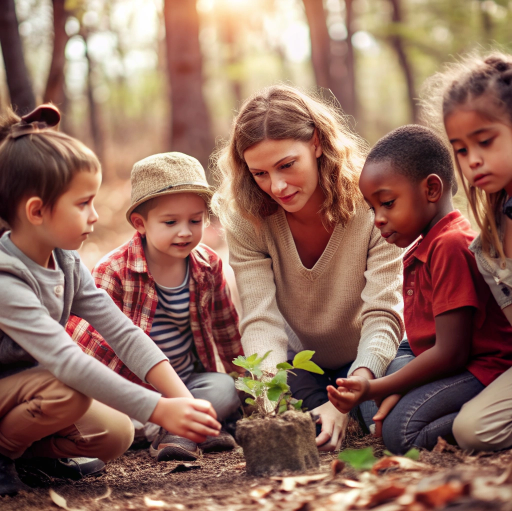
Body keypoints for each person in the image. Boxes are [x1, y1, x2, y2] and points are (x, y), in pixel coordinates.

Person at [0, 105, 220, 496]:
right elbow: (66, 360)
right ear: (36, 211)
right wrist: (157, 409)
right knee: (67, 389)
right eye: (83, 203)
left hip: (32, 389)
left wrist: (183, 401)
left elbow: (123, 331)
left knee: (115, 434)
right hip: (26, 386)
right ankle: (3, 453)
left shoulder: (64, 260)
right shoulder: (6, 277)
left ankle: (31, 455)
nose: (95, 216)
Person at [211, 85, 405, 451]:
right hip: (299, 363)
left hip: (372, 355)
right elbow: (260, 318)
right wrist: (270, 396)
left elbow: (383, 314)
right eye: (260, 174)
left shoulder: (373, 200)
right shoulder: (244, 218)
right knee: (304, 427)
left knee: (385, 420)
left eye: (287, 165)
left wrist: (352, 390)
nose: (277, 186)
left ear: (316, 143)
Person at [327, 124, 512, 454]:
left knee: (401, 433)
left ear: (431, 190)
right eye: (373, 209)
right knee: (380, 390)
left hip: (481, 366)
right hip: (444, 358)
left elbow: (451, 353)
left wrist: (372, 388)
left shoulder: (451, 245)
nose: (378, 219)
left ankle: (473, 419)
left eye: (387, 203)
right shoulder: (426, 244)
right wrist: (381, 388)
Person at [67, 152, 243, 462]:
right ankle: (175, 425)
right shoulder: (114, 270)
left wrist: (248, 389)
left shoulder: (208, 265)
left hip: (188, 383)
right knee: (112, 416)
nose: (185, 231)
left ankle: (177, 428)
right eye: (171, 222)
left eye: (195, 220)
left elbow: (226, 330)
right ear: (141, 223)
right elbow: (89, 343)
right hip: (130, 389)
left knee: (225, 389)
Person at [421, 51, 512, 451]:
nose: (473, 160)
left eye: (486, 142)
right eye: (460, 149)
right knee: (471, 429)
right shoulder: (488, 239)